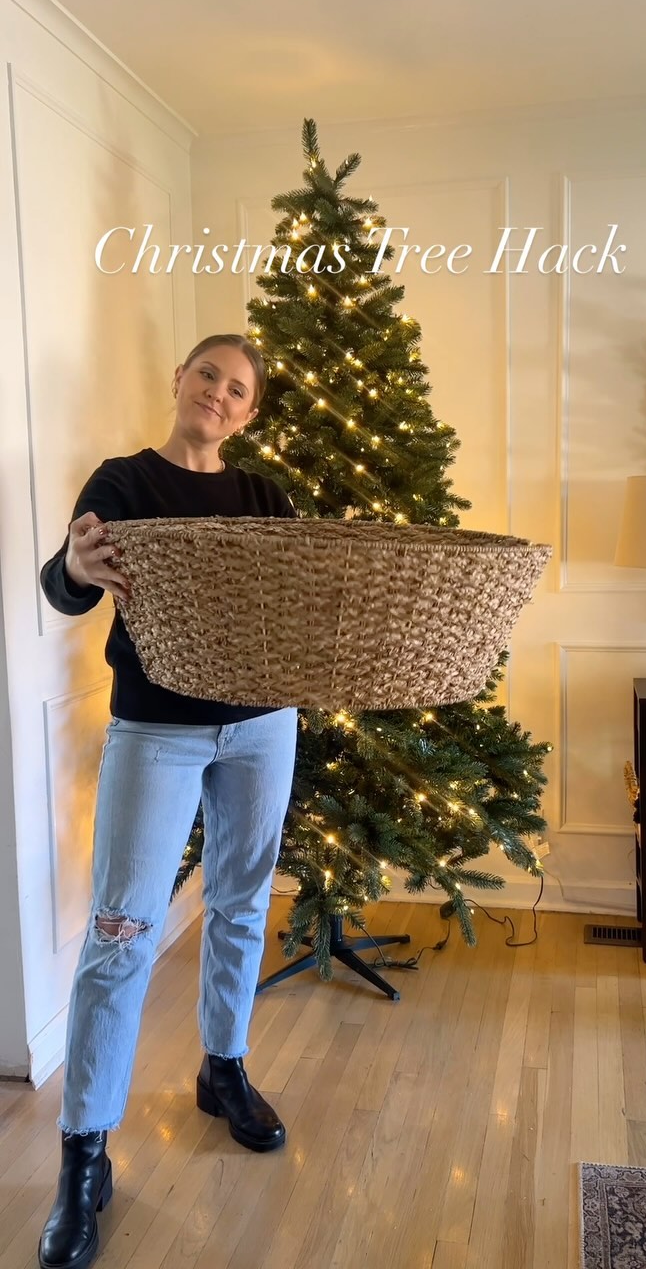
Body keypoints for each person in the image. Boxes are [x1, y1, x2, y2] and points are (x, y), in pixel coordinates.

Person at [37, 334, 299, 1269]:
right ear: (178, 382)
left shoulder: (265, 498)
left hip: (266, 724)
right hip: (156, 728)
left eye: (238, 390)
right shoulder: (125, 481)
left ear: (250, 410)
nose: (219, 396)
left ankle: (222, 1069)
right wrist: (74, 567)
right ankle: (84, 1154)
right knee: (122, 930)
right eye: (208, 378)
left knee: (240, 903)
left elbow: (298, 602)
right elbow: (66, 586)